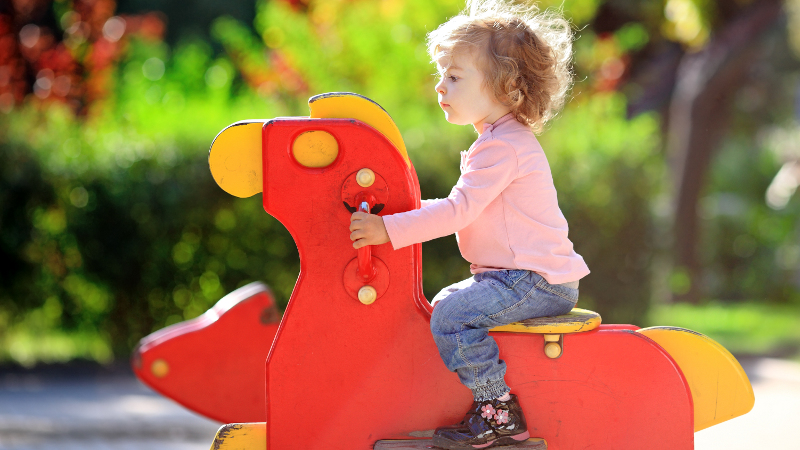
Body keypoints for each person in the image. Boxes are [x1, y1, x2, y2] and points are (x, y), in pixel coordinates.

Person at [349, 0, 588, 448]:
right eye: (441, 75)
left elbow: (457, 211)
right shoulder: (497, 141)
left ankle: (498, 411)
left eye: (454, 77)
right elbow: (463, 205)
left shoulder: (502, 147)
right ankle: (485, 401)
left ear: (506, 86)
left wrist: (388, 230)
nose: (440, 86)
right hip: (521, 278)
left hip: (534, 281)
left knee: (451, 314)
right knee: (445, 303)